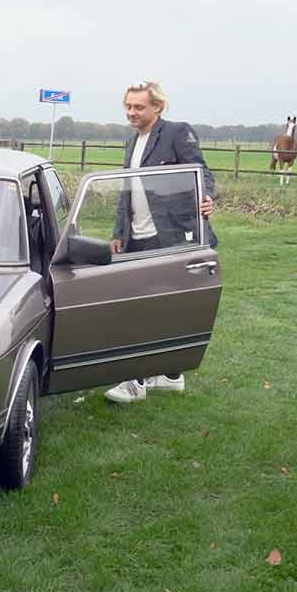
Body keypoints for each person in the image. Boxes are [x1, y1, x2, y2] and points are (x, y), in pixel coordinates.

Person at [105, 81, 218, 404]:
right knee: (151, 306)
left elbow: (201, 173)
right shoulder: (130, 142)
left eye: (138, 107)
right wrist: (118, 233)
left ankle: (135, 381)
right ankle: (170, 375)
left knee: (148, 308)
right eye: (128, 106)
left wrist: (208, 196)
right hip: (136, 238)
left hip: (171, 237)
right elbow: (127, 192)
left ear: (158, 107)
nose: (131, 112)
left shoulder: (177, 133)